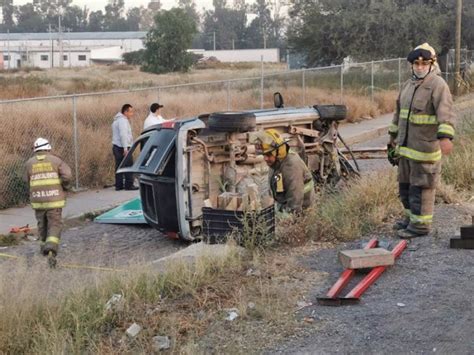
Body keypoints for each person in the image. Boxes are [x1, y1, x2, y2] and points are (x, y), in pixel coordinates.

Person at [388, 43, 456, 239]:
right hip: (406, 150)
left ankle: (420, 226)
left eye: (424, 63)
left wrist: (445, 137)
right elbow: (398, 115)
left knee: (422, 188)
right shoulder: (408, 85)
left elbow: (446, 114)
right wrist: (392, 139)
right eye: (416, 63)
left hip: (425, 150)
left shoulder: (437, 85)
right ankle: (411, 219)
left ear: (431, 64)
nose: (419, 67)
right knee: (405, 187)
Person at [25, 138, 72, 266]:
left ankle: (43, 249)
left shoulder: (29, 163)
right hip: (54, 200)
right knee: (54, 225)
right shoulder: (56, 161)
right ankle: (51, 249)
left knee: (42, 225)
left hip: (38, 201)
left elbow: (27, 180)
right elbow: (67, 175)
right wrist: (64, 186)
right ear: (48, 148)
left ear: (35, 150)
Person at [253, 129, 315, 214]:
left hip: (302, 213)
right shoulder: (276, 162)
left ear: (279, 151)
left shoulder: (291, 166)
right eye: (264, 155)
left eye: (268, 154)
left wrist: (286, 222)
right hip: (283, 207)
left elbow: (295, 205)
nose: (265, 159)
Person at [112, 103, 138, 191]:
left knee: (119, 166)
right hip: (122, 147)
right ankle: (129, 185)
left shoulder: (117, 120)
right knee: (129, 165)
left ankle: (119, 185)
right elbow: (123, 135)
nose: (132, 114)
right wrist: (125, 148)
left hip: (117, 146)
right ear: (125, 112)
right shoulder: (122, 121)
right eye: (130, 112)